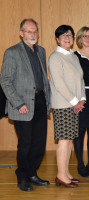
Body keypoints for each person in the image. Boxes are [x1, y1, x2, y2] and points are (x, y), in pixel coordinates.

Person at [0, 19, 50, 191]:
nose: (33, 35)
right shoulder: (12, 52)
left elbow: (43, 78)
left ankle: (32, 173)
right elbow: (5, 81)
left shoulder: (41, 51)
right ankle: (22, 177)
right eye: (29, 31)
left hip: (41, 103)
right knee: (25, 144)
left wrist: (48, 100)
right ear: (21, 33)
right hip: (22, 105)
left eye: (35, 31)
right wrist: (18, 103)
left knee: (39, 144)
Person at [48, 25, 86, 188]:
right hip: (63, 105)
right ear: (57, 39)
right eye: (63, 35)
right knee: (64, 140)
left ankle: (66, 173)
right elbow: (59, 83)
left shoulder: (73, 56)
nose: (67, 38)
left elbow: (80, 79)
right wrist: (74, 101)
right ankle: (61, 176)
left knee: (69, 139)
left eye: (70, 35)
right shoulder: (55, 57)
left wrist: (82, 98)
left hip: (74, 105)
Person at [73, 26, 89, 177]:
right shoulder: (74, 56)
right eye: (85, 36)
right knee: (80, 133)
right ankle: (80, 165)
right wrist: (77, 99)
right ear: (79, 39)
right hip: (80, 98)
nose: (88, 38)